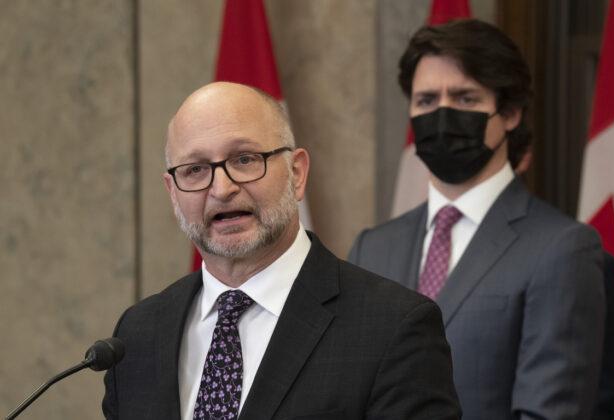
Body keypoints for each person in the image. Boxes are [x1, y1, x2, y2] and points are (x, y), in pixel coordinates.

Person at [102, 82, 461, 420]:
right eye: (195, 169)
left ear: (297, 173)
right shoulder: (137, 334)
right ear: (173, 192)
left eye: (244, 159)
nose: (222, 189)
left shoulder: (394, 327)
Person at [349, 19, 614, 419]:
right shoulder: (372, 248)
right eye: (426, 101)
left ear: (509, 113)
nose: (442, 115)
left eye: (465, 98)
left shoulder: (562, 249)